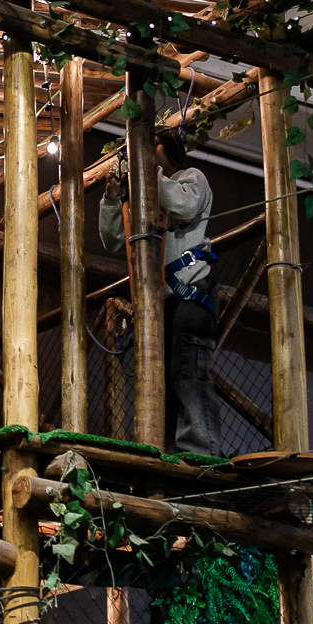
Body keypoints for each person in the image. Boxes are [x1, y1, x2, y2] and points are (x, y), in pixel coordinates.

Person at [98, 128, 221, 456]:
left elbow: (182, 205)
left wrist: (144, 173)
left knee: (188, 373)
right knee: (162, 380)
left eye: (145, 145)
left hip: (192, 291)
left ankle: (200, 450)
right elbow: (113, 240)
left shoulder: (191, 177)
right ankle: (170, 452)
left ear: (163, 146)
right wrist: (113, 199)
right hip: (159, 302)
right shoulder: (145, 191)